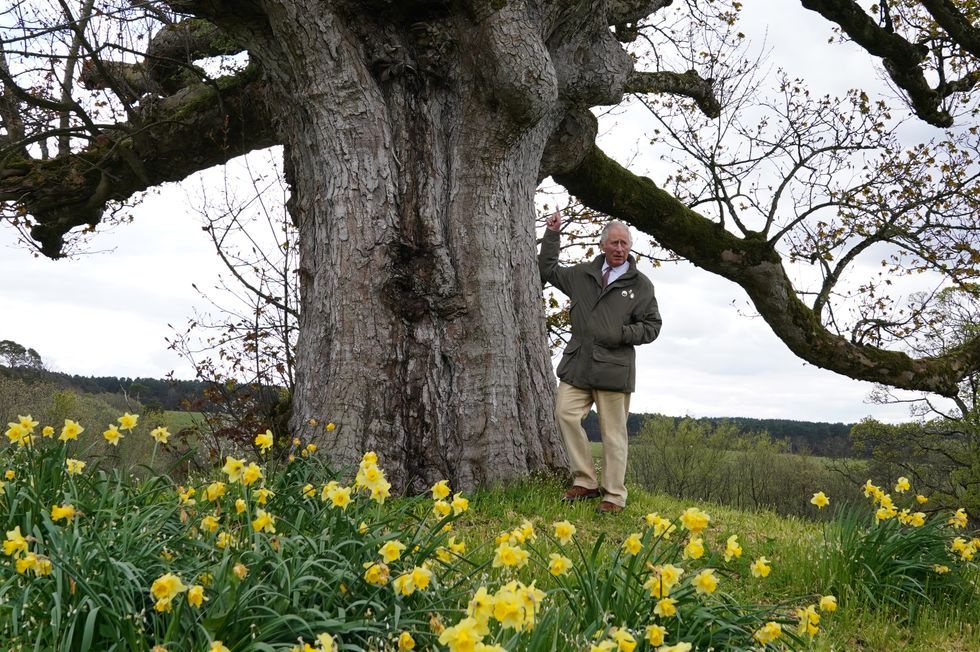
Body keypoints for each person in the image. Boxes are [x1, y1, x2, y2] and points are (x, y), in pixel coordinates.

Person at [538, 210, 662, 513]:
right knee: (565, 415)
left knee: (613, 435)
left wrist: (620, 333)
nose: (620, 249)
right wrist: (552, 236)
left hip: (614, 368)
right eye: (615, 243)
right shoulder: (582, 274)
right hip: (578, 363)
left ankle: (614, 496)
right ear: (603, 244)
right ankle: (586, 481)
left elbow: (653, 326)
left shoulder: (641, 285)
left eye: (625, 244)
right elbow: (548, 270)